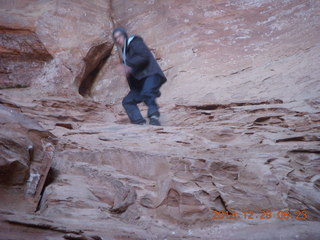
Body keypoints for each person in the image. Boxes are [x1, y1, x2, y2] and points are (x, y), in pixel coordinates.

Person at [112, 27, 166, 126]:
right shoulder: (125, 53)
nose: (118, 40)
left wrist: (127, 64)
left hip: (150, 75)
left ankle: (154, 117)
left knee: (147, 92)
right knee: (127, 101)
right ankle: (139, 123)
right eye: (115, 38)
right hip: (140, 83)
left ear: (124, 35)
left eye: (119, 36)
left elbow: (144, 56)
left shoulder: (135, 42)